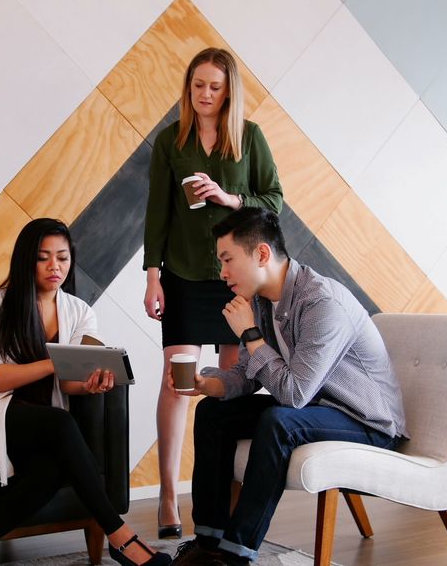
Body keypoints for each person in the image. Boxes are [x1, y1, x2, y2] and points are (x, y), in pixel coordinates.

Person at [169, 208, 408, 565]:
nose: (223, 273)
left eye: (228, 259)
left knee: (278, 422)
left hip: (368, 423)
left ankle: (237, 554)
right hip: (318, 409)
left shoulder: (321, 303)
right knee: (212, 412)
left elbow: (294, 395)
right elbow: (249, 374)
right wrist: (209, 385)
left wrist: (249, 334)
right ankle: (208, 545)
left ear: (261, 254)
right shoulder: (263, 302)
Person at [0, 218, 172, 566]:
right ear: (26, 260)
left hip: (43, 417)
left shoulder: (80, 311)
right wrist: (54, 363)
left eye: (62, 257)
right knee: (59, 424)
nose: (55, 266)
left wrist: (89, 383)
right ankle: (120, 536)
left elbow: (70, 382)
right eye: (43, 258)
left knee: (53, 469)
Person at [143, 47, 283, 539]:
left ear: (229, 91)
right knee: (177, 382)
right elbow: (157, 212)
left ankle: (218, 498)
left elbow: (275, 200)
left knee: (226, 391)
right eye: (197, 85)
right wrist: (152, 274)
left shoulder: (250, 138)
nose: (204, 94)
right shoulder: (170, 141)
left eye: (214, 87)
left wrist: (229, 199)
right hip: (181, 275)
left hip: (234, 280)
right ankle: (166, 495)